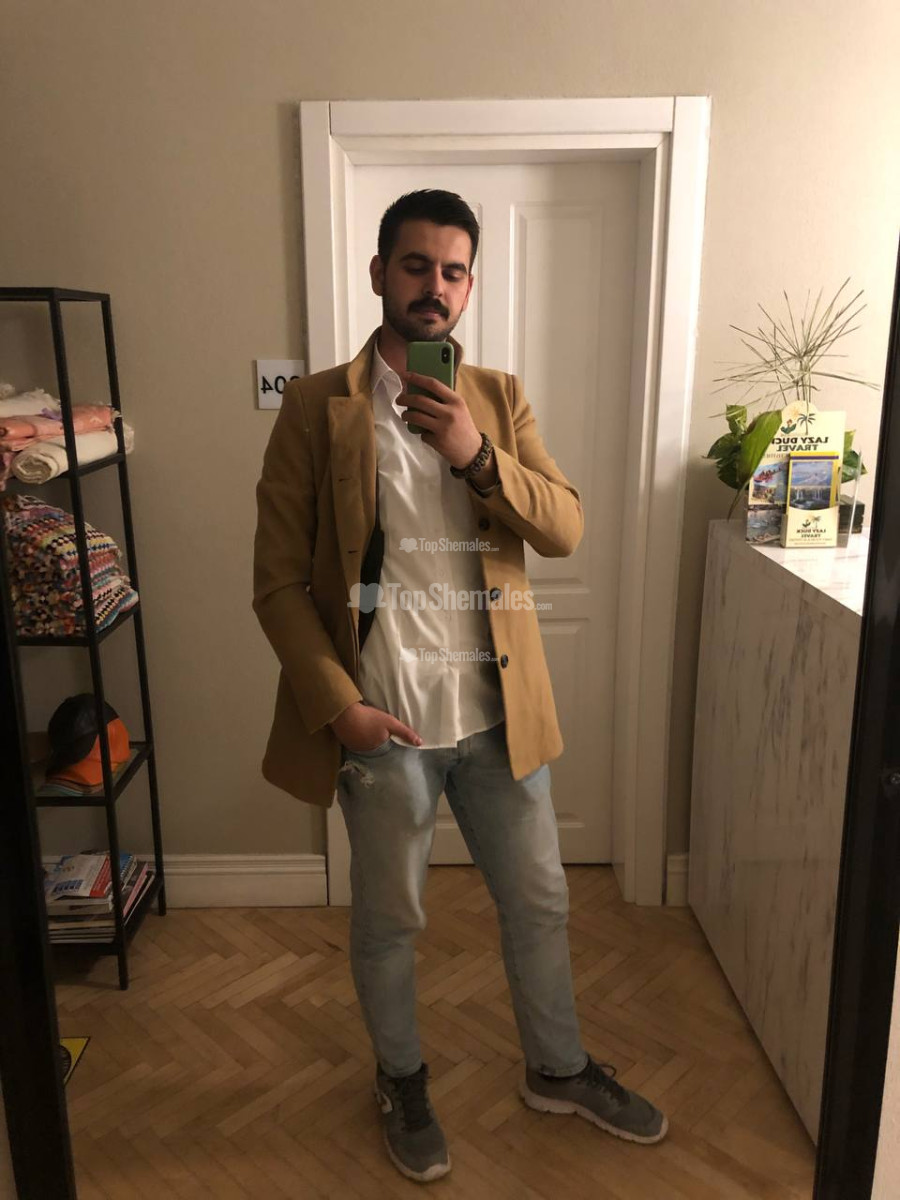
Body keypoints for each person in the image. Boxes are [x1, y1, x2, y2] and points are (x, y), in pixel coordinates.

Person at [252, 189, 668, 1184]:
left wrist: (477, 456)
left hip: (497, 718)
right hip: (384, 722)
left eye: (452, 271)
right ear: (379, 274)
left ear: (469, 285)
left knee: (541, 902)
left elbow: (564, 528)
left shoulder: (498, 397)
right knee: (391, 918)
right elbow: (276, 582)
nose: (433, 286)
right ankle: (401, 1080)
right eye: (415, 265)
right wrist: (338, 707)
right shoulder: (316, 407)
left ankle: (557, 1070)